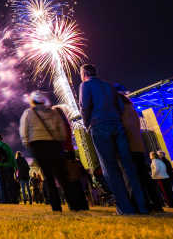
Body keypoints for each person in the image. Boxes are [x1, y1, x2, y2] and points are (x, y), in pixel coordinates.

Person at [78, 64, 148, 215]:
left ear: (83, 74)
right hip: (117, 125)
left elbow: (84, 107)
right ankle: (141, 206)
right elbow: (120, 107)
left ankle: (125, 208)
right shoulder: (108, 85)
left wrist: (87, 124)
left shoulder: (85, 85)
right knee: (128, 166)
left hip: (99, 125)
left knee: (110, 168)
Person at [114, 84, 164, 212]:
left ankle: (139, 204)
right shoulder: (130, 107)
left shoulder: (119, 107)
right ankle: (156, 204)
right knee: (144, 176)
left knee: (133, 177)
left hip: (129, 146)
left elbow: (122, 126)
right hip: (139, 146)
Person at [19, 91, 72, 212]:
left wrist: (27, 143)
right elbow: (62, 129)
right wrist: (60, 141)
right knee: (62, 175)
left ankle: (56, 206)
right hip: (54, 145)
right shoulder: (53, 112)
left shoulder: (28, 113)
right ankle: (73, 203)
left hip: (38, 145)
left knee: (48, 177)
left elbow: (24, 131)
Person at [0, 133, 16, 203]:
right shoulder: (6, 146)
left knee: (1, 184)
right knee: (8, 183)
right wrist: (14, 166)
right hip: (7, 166)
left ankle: (3, 200)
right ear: (2, 138)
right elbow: (11, 156)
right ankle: (11, 199)